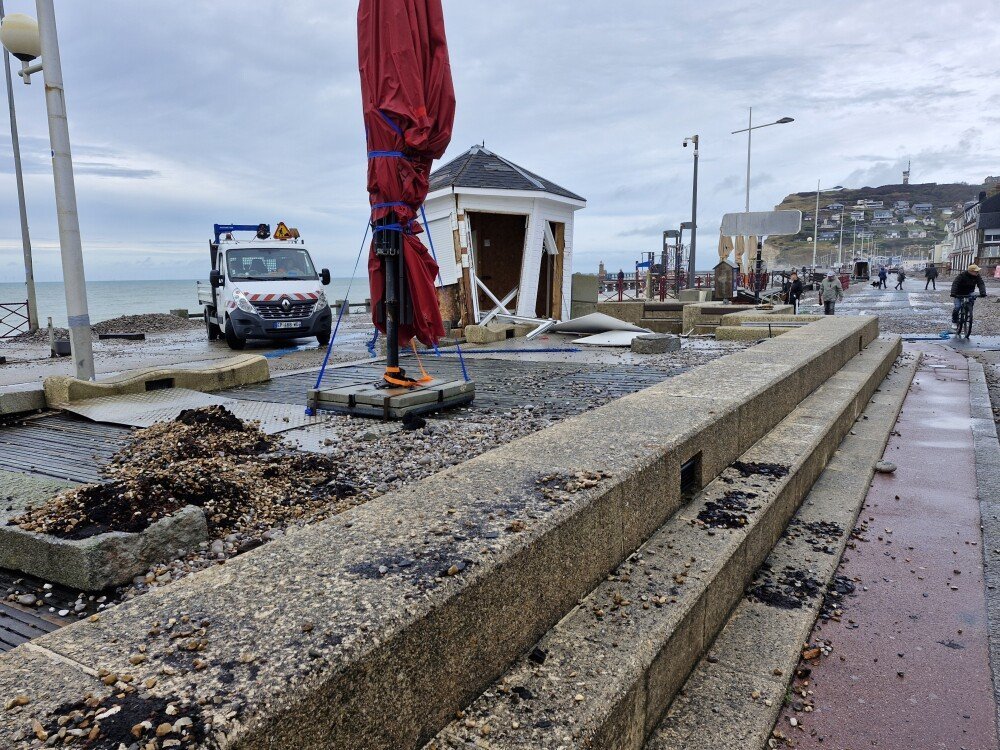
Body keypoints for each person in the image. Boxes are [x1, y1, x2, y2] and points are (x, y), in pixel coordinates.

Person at [950, 264, 987, 331]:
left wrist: (983, 293)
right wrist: (953, 293)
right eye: (976, 271)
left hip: (969, 292)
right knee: (957, 307)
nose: (977, 272)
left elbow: (981, 284)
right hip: (958, 293)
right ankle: (954, 321)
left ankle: (969, 311)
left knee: (972, 298)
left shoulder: (977, 276)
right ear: (971, 271)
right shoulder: (961, 276)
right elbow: (955, 283)